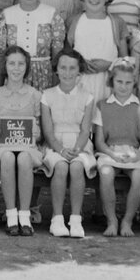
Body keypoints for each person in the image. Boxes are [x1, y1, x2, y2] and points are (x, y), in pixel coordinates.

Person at [40, 49, 96, 238]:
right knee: (61, 167)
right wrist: (61, 150)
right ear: (56, 69)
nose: (67, 72)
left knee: (77, 167)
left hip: (79, 145)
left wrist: (76, 150)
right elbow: (48, 131)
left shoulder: (87, 97)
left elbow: (85, 130)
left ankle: (75, 219)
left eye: (72, 68)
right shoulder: (47, 95)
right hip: (55, 145)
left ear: (79, 70)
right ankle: (57, 219)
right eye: (63, 67)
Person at [93, 58, 140, 237]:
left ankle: (127, 220)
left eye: (128, 83)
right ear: (112, 81)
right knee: (106, 174)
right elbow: (99, 141)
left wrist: (137, 156)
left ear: (134, 83)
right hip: (109, 151)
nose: (123, 87)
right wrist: (112, 155)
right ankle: (112, 220)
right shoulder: (102, 105)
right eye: (119, 82)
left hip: (134, 152)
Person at [0, 45, 44, 236]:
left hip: (28, 148)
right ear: (5, 66)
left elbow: (40, 134)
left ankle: (25, 215)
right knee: (8, 158)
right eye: (12, 63)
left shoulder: (35, 95)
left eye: (21, 64)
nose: (16, 68)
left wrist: (37, 132)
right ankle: (11, 214)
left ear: (26, 67)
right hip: (2, 149)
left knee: (24, 158)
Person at [0, 0, 66, 91]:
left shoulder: (51, 14)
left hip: (44, 76)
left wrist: (57, 81)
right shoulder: (7, 15)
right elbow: (1, 54)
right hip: (15, 75)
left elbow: (57, 54)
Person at [65, 0, 130, 104]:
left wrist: (110, 65)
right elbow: (66, 55)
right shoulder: (73, 21)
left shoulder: (117, 23)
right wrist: (80, 63)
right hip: (79, 84)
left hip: (107, 85)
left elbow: (126, 61)